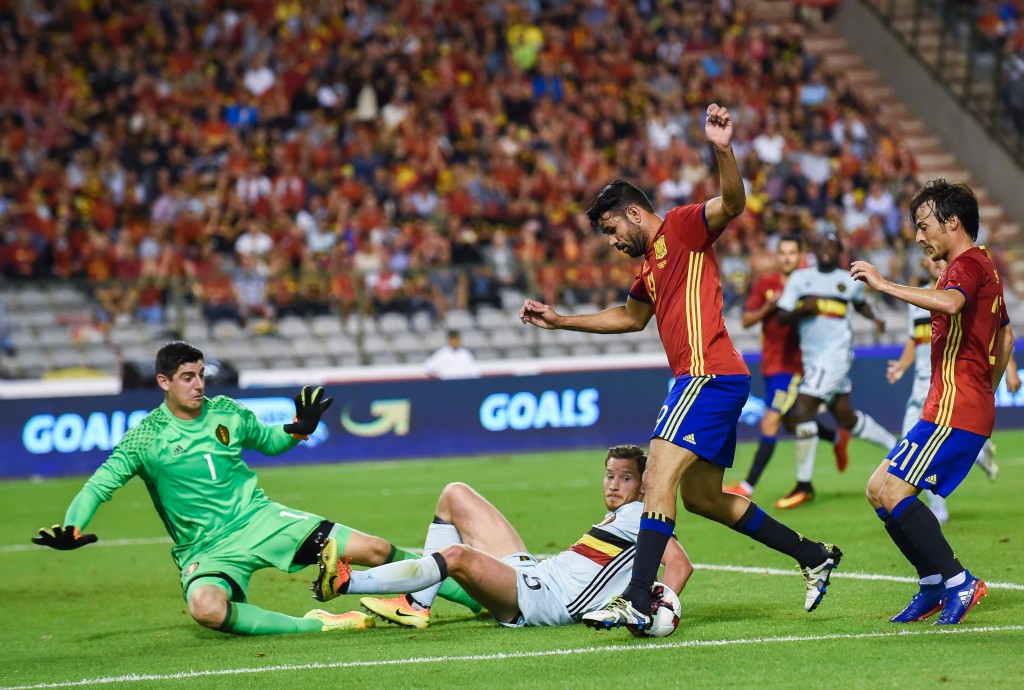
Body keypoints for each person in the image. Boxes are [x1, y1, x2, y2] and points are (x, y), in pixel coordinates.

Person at [518, 104, 843, 635]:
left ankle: (636, 600)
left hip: (706, 374)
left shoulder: (684, 227)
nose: (611, 241)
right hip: (710, 378)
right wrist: (561, 321)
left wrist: (722, 150)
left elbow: (734, 202)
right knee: (705, 499)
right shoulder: (647, 267)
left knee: (657, 476)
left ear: (634, 214)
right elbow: (629, 317)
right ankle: (812, 554)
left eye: (610, 229)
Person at [31, 340, 479, 635]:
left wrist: (299, 427)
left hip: (261, 521)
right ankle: (318, 624)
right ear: (163, 382)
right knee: (206, 608)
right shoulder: (143, 438)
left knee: (376, 549)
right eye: (187, 377)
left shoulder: (226, 411)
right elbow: (97, 487)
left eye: (202, 374)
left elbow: (270, 442)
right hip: (206, 550)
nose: (199, 384)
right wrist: (72, 527)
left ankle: (478, 593)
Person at [851, 178, 1014, 625]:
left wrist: (884, 285)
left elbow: (950, 304)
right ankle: (931, 585)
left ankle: (959, 581)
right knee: (877, 491)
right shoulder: (985, 267)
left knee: (895, 491)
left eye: (924, 226)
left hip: (955, 408)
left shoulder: (965, 266)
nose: (919, 236)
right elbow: (1006, 332)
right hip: (956, 405)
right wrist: (988, 385)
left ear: (953, 222)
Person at [308, 445, 692, 629]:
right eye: (610, 475)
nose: (613, 485)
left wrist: (656, 611)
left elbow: (679, 564)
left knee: (457, 555)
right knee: (455, 495)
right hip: (535, 574)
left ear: (644, 486)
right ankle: (415, 604)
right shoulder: (621, 515)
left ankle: (346, 582)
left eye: (625, 478)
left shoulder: (642, 515)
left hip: (545, 601)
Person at [885, 254, 1017, 524]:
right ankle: (979, 455)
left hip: (950, 388)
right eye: (930, 259)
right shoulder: (918, 299)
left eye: (940, 259)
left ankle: (938, 507)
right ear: (923, 263)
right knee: (911, 447)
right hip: (924, 385)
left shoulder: (964, 293)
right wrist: (901, 365)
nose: (935, 261)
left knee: (922, 453)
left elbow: (998, 334)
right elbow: (915, 340)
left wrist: (1010, 370)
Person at [772, 233, 897, 509]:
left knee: (800, 412)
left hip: (837, 357)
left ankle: (804, 485)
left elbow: (860, 303)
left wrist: (875, 317)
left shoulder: (847, 279)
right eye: (820, 244)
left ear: (840, 250)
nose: (825, 249)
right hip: (812, 359)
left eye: (831, 245)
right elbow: (781, 317)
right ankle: (896, 448)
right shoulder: (800, 279)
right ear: (813, 249)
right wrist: (802, 309)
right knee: (846, 418)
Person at [724, 235, 847, 499]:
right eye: (783, 252)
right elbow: (746, 320)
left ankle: (746, 488)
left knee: (769, 423)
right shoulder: (766, 284)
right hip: (770, 365)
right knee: (793, 423)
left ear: (801, 255)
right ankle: (837, 439)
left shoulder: (810, 283)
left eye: (793, 252)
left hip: (793, 367)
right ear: (777, 256)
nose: (788, 257)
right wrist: (770, 305)